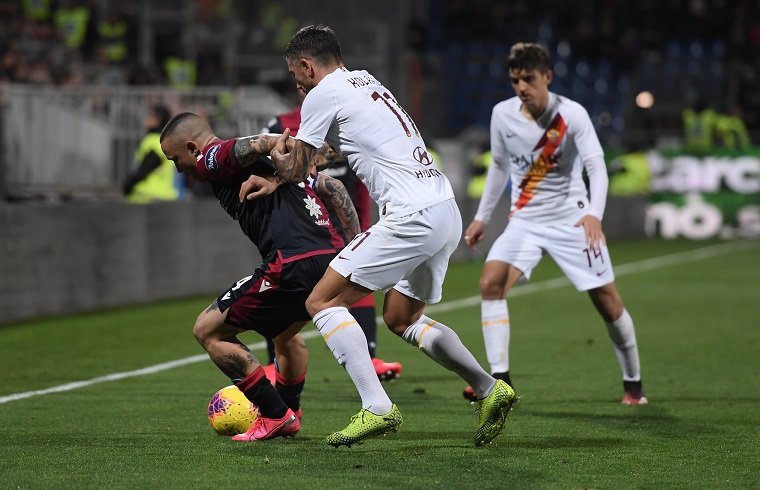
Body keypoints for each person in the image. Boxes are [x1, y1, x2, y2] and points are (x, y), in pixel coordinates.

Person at [245, 24, 517, 448]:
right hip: (443, 207)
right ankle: (489, 388)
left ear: (305, 65)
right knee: (401, 318)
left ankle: (377, 407)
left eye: (297, 77)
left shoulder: (323, 93)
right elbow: (331, 151)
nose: (297, 87)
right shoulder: (366, 82)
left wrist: (267, 153)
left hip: (410, 215)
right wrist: (283, 176)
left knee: (320, 301)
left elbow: (298, 166)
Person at [462, 43, 647, 406]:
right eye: (515, 80)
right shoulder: (502, 114)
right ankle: (501, 383)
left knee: (608, 305)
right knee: (490, 283)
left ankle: (634, 385)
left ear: (547, 77)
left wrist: (594, 213)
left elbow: (596, 164)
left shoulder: (571, 115)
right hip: (525, 220)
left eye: (529, 79)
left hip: (571, 218)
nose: (521, 87)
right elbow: (499, 166)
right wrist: (483, 216)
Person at [159, 112, 359, 441]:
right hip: (328, 257)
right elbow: (331, 160)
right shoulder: (280, 164)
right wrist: (292, 152)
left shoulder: (210, 157)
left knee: (208, 331)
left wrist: (270, 141)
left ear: (192, 147)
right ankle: (289, 411)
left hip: (292, 260)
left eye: (175, 159)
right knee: (285, 335)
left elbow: (248, 145)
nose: (178, 168)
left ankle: (273, 413)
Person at [260, 97, 403, 383]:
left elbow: (360, 175)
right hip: (301, 223)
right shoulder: (280, 126)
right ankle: (271, 364)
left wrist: (362, 222)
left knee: (356, 278)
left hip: (344, 215)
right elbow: (265, 166)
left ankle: (369, 356)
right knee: (285, 287)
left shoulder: (347, 120)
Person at [123, 105, 185, 203]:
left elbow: (145, 168)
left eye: (150, 116)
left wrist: (128, 185)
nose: (147, 118)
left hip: (150, 198)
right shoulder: (167, 141)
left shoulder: (154, 142)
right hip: (163, 197)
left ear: (158, 120)